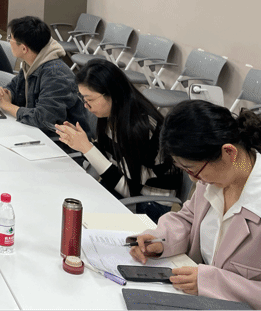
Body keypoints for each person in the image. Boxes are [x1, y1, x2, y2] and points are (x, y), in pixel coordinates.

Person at [130, 101, 261, 309]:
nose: (193, 179)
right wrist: (161, 239)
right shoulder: (214, 180)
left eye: (193, 170)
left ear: (229, 152)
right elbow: (189, 219)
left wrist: (213, 282)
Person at [55, 59, 180, 221]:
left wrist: (87, 148)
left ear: (111, 94)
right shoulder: (112, 113)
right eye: (83, 98)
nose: (85, 105)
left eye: (89, 99)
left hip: (150, 204)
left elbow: (129, 190)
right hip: (123, 187)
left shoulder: (139, 127)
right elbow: (109, 157)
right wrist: (81, 144)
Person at [0, 15, 94, 136]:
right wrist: (4, 93)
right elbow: (14, 87)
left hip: (59, 142)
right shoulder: (31, 63)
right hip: (35, 132)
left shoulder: (56, 75)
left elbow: (42, 119)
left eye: (10, 38)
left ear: (24, 49)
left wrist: (7, 106)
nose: (9, 41)